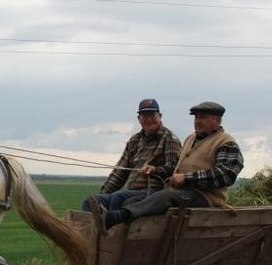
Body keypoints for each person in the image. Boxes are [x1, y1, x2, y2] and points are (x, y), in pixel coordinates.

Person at [89, 101, 243, 233]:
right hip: (180, 192)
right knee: (131, 202)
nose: (197, 121)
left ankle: (112, 219)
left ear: (217, 120)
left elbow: (226, 174)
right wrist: (163, 173)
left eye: (202, 117)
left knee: (163, 196)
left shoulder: (225, 142)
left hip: (205, 197)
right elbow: (172, 168)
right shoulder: (191, 139)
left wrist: (185, 178)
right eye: (196, 117)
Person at [82, 98, 182, 212]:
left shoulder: (169, 138)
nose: (149, 119)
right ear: (139, 119)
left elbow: (174, 168)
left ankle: (110, 228)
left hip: (155, 193)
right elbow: (119, 173)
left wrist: (155, 170)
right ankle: (88, 228)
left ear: (160, 116)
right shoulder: (135, 140)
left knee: (118, 198)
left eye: (152, 115)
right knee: (90, 201)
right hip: (132, 192)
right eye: (144, 116)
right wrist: (102, 194)